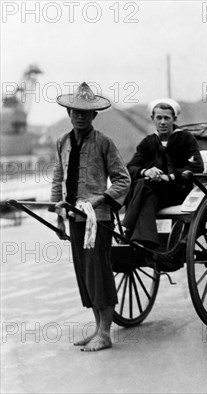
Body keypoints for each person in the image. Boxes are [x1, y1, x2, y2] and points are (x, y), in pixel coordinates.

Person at [51, 82, 131, 351]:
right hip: (73, 218)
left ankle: (105, 333)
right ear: (69, 113)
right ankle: (97, 329)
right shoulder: (62, 141)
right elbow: (58, 179)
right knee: (84, 275)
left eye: (86, 113)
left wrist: (99, 199)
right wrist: (58, 215)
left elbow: (123, 180)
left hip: (98, 220)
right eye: (75, 112)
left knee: (99, 273)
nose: (80, 116)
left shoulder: (104, 142)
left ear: (94, 116)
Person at [123, 98, 204, 251]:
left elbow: (197, 166)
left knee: (143, 186)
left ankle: (129, 229)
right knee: (144, 185)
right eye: (158, 118)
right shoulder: (148, 142)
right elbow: (131, 167)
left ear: (174, 119)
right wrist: (146, 171)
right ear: (152, 119)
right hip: (154, 192)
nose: (162, 122)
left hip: (179, 192)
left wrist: (172, 176)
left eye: (167, 118)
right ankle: (148, 240)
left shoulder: (186, 138)